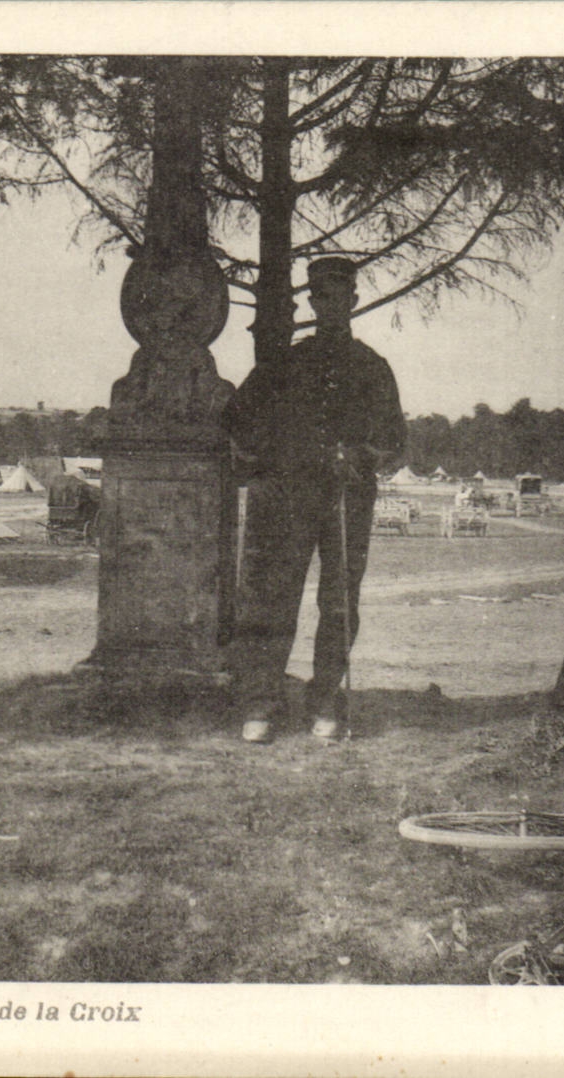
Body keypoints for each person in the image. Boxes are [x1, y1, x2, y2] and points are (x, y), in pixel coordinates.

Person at [224, 257, 406, 744]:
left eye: (338, 297)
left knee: (340, 602)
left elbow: (394, 439)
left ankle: (326, 698)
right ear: (311, 301)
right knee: (272, 599)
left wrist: (363, 455)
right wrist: (268, 462)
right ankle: (261, 702)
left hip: (346, 501)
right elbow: (237, 419)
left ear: (352, 302)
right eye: (319, 297)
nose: (329, 306)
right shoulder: (285, 363)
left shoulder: (372, 367)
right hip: (286, 499)